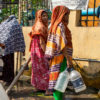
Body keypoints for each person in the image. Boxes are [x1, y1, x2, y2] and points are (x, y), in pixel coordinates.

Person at [45, 6, 73, 100]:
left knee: (57, 79)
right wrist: (68, 60)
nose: (68, 17)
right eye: (66, 14)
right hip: (61, 58)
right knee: (59, 81)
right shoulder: (60, 26)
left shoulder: (55, 25)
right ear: (61, 14)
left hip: (56, 58)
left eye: (68, 14)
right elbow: (62, 45)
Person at [28, 10, 49, 93]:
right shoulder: (41, 27)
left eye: (46, 16)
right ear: (39, 17)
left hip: (34, 51)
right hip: (40, 51)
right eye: (43, 16)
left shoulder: (36, 25)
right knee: (45, 68)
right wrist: (46, 53)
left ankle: (37, 87)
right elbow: (41, 42)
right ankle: (47, 89)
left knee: (36, 69)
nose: (46, 17)